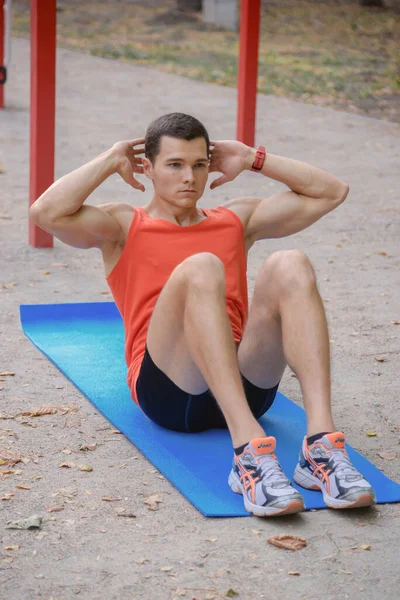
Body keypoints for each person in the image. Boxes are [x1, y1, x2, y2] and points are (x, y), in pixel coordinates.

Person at [29, 112, 376, 517]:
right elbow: (45, 213)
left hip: (247, 384)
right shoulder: (124, 226)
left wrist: (252, 158)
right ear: (148, 168)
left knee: (291, 263)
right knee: (202, 266)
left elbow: (331, 193)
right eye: (174, 165)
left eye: (198, 164)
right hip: (173, 394)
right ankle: (247, 452)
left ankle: (320, 446)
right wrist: (110, 158)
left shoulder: (234, 220)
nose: (189, 178)